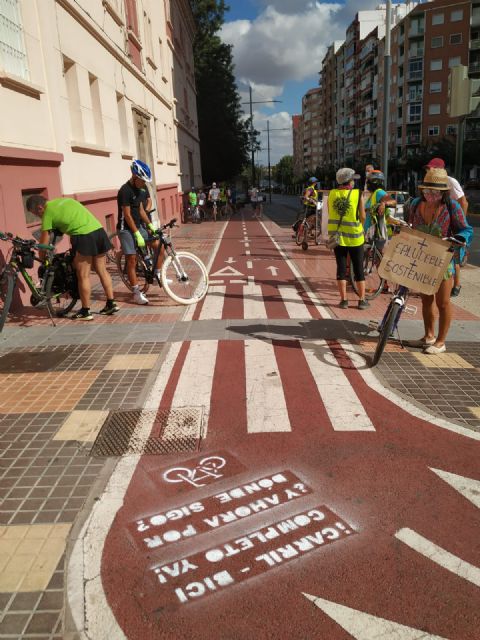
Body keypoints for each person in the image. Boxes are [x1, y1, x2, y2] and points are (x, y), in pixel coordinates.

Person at [407, 167, 473, 354]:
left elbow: (466, 229)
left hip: (444, 260)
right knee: (426, 299)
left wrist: (458, 238)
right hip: (422, 258)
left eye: (435, 193)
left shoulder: (453, 206)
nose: (431, 196)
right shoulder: (415, 204)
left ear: (443, 193)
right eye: (427, 191)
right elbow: (411, 227)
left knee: (443, 302)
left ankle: (441, 342)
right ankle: (429, 336)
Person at [26, 195, 118, 320]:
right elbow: (69, 219)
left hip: (84, 236)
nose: (39, 217)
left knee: (83, 275)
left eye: (37, 214)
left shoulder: (48, 213)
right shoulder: (65, 200)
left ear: (40, 207)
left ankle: (86, 311)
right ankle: (111, 303)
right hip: (99, 231)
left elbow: (44, 240)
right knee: (102, 270)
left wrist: (42, 256)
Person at [117, 160, 162, 305]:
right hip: (126, 229)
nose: (144, 184)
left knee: (157, 244)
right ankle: (136, 293)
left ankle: (157, 274)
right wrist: (136, 233)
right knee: (131, 259)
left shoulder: (141, 190)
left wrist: (150, 225)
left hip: (138, 226)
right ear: (134, 176)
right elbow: (127, 215)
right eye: (142, 180)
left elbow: (141, 210)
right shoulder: (124, 191)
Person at [424, 158, 469, 297]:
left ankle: (456, 284)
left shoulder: (451, 181)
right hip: (437, 222)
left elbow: (463, 202)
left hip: (451, 221)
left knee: (453, 256)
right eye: (428, 168)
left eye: (432, 168)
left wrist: (458, 222)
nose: (429, 170)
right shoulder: (429, 181)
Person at [327, 168, 369, 309]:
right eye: (353, 179)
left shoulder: (332, 194)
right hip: (355, 237)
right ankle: (362, 300)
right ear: (349, 181)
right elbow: (362, 216)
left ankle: (344, 300)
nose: (354, 181)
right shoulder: (358, 194)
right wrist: (361, 227)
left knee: (341, 268)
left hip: (337, 237)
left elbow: (330, 212)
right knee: (358, 269)